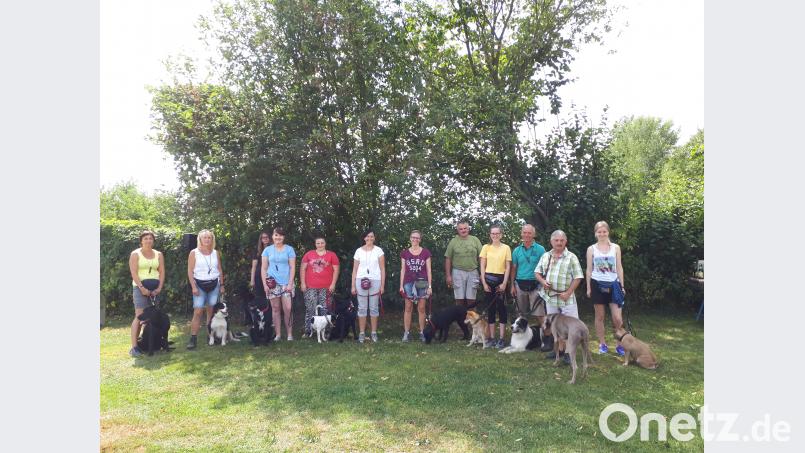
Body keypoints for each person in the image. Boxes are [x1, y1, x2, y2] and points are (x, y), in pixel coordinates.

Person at [534, 230, 584, 362]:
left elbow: (578, 277)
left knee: (571, 326)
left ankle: (569, 353)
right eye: (556, 240)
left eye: (562, 240)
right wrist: (543, 282)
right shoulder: (546, 256)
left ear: (565, 242)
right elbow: (537, 273)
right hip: (551, 297)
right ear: (551, 241)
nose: (559, 243)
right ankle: (560, 351)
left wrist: (568, 293)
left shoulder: (571, 257)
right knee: (555, 325)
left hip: (567, 297)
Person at [585, 221, 626, 356]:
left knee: (617, 318)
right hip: (597, 284)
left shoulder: (616, 247)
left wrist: (622, 285)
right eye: (599, 232)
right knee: (600, 316)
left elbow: (619, 267)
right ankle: (602, 344)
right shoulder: (591, 249)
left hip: (614, 284)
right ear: (595, 233)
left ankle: (620, 344)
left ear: (608, 232)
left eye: (604, 231)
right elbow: (589, 270)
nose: (602, 234)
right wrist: (589, 288)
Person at [510, 224, 549, 347]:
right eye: (524, 233)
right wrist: (512, 285)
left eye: (529, 233)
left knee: (540, 315)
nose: (527, 235)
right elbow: (513, 269)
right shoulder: (516, 250)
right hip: (519, 285)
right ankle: (518, 339)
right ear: (521, 234)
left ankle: (546, 340)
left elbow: (545, 267)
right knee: (520, 315)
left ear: (534, 235)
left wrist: (543, 283)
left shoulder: (540, 249)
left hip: (536, 285)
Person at [128, 230, 165, 357]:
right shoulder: (135, 254)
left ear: (153, 240)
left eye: (150, 238)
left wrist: (159, 287)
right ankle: (134, 347)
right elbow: (133, 272)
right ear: (141, 241)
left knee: (152, 318)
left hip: (155, 288)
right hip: (140, 288)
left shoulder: (158, 254)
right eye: (145, 238)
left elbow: (161, 272)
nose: (148, 240)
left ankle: (147, 343)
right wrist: (142, 287)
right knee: (139, 317)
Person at [186, 229, 225, 350]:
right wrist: (193, 286)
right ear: (200, 239)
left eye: (209, 238)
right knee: (198, 312)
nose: (207, 240)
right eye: (205, 238)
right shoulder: (194, 252)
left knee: (211, 311)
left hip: (214, 284)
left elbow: (219, 269)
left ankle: (210, 336)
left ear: (212, 239)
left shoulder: (215, 253)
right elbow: (190, 271)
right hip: (199, 285)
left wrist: (222, 285)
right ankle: (193, 338)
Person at [479, 225, 512, 349]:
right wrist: (484, 283)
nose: (495, 235)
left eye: (497, 233)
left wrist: (504, 283)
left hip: (501, 281)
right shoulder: (485, 248)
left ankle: (502, 338)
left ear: (501, 235)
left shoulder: (506, 248)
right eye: (493, 233)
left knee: (502, 309)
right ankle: (492, 338)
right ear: (490, 235)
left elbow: (508, 267)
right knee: (491, 309)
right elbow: (482, 266)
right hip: (488, 280)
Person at [300, 235, 340, 337]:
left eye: (322, 243)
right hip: (310, 286)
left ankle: (326, 331)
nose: (320, 245)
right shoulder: (309, 254)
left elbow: (336, 270)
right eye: (318, 243)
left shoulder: (332, 255)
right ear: (315, 244)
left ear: (325, 243)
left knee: (325, 309)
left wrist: (333, 284)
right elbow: (302, 269)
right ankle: (308, 331)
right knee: (310, 309)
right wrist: (303, 283)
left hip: (326, 287)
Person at [261, 227, 297, 341]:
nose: (278, 237)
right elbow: (263, 268)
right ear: (273, 236)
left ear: (283, 237)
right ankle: (278, 335)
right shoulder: (267, 250)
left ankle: (290, 334)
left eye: (280, 235)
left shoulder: (289, 249)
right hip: (272, 283)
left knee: (288, 308)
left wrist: (290, 283)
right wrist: (265, 285)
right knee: (275, 309)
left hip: (286, 283)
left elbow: (292, 267)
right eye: (276, 235)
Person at [351, 230, 385, 343]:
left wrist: (382, 285)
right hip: (360, 280)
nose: (369, 238)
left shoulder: (379, 250)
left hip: (375, 280)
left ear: (374, 238)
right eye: (367, 236)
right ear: (364, 238)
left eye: (372, 236)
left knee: (374, 308)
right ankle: (361, 333)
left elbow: (382, 269)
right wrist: (353, 286)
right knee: (362, 308)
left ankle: (374, 333)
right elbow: (355, 269)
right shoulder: (358, 251)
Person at [399, 230, 432, 343]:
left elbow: (429, 270)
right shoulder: (405, 253)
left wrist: (430, 286)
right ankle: (406, 333)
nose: (415, 239)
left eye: (417, 238)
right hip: (408, 282)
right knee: (408, 308)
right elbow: (402, 270)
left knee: (421, 308)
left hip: (422, 282)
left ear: (420, 239)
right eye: (413, 237)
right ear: (410, 238)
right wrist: (401, 285)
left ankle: (422, 332)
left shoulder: (426, 252)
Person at [444, 221, 483, 307]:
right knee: (459, 299)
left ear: (468, 229)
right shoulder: (453, 241)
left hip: (473, 271)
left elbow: (481, 257)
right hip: (457, 271)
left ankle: (472, 320)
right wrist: (448, 276)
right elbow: (448, 258)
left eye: (465, 228)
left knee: (471, 300)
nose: (463, 230)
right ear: (457, 230)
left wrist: (482, 274)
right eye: (461, 229)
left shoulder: (475, 240)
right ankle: (460, 319)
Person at [248, 231, 271, 324]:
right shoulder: (257, 251)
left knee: (270, 298)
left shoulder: (274, 249)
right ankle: (259, 320)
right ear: (260, 239)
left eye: (266, 237)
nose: (265, 239)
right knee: (260, 298)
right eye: (263, 237)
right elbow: (253, 267)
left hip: (271, 276)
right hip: (258, 277)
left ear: (270, 238)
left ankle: (270, 319)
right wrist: (252, 280)